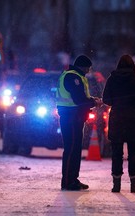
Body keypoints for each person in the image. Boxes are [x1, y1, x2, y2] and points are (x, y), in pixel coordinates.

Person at [102, 54, 135, 193]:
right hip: (133, 118)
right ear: (133, 65)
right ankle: (134, 184)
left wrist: (117, 101)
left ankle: (116, 184)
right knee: (133, 153)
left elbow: (106, 99)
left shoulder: (112, 79)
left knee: (116, 153)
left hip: (117, 118)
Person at [56, 55, 102, 191]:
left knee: (74, 149)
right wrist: (94, 102)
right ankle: (68, 182)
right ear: (83, 66)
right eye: (88, 68)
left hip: (73, 116)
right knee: (72, 149)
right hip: (71, 117)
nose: (88, 71)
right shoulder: (73, 77)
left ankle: (72, 180)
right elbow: (79, 100)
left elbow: (80, 98)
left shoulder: (74, 76)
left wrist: (92, 100)